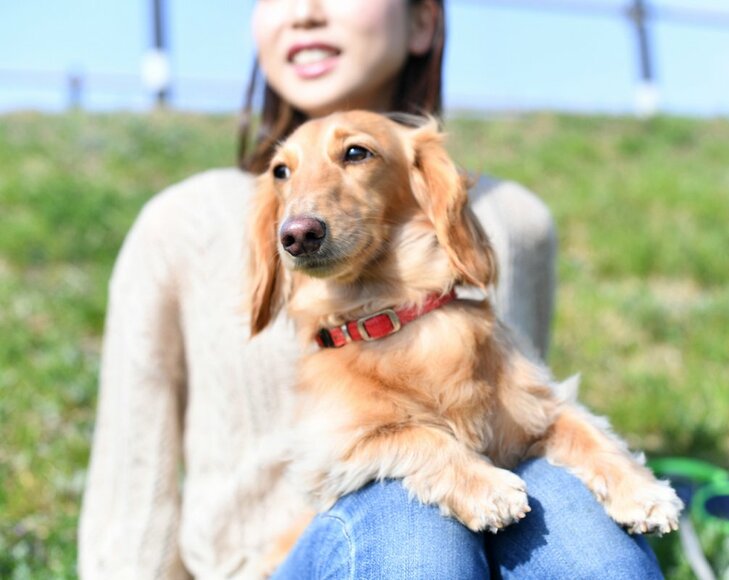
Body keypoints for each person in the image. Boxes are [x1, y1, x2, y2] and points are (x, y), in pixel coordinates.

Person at [78, 1, 664, 578]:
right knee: (407, 525)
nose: (304, 12)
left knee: (588, 537)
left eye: (356, 155)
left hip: (487, 539)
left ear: (424, 20)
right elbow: (130, 489)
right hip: (282, 562)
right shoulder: (182, 222)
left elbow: (521, 429)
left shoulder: (518, 221)